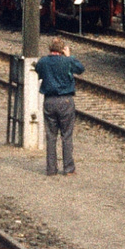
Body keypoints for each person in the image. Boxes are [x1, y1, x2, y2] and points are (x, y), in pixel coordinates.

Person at [33, 37, 85, 175]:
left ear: (50, 49)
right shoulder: (67, 61)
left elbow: (38, 72)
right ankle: (68, 169)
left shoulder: (43, 61)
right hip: (65, 101)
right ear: (62, 50)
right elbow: (80, 69)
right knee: (66, 136)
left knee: (51, 136)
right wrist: (70, 56)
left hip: (49, 101)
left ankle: (51, 169)